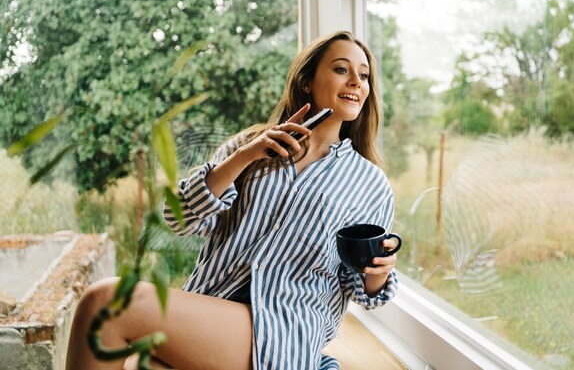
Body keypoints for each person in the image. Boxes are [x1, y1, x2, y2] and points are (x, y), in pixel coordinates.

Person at [65, 30, 398, 370]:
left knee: (104, 304)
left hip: (284, 328)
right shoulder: (250, 145)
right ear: (306, 81)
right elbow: (180, 218)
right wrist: (244, 156)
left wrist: (379, 273)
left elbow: (359, 286)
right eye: (342, 69)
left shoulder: (370, 184)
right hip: (209, 305)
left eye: (364, 74)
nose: (356, 80)